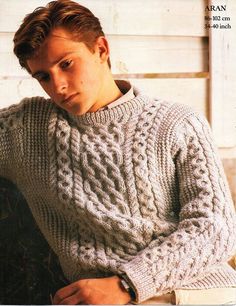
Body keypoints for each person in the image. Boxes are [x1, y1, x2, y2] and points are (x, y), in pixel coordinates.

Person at [1, 0, 236, 304]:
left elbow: (215, 230)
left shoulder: (178, 122)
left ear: (101, 49)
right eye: (43, 76)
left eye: (66, 64)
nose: (57, 85)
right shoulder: (27, 127)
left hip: (200, 291)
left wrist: (126, 284)